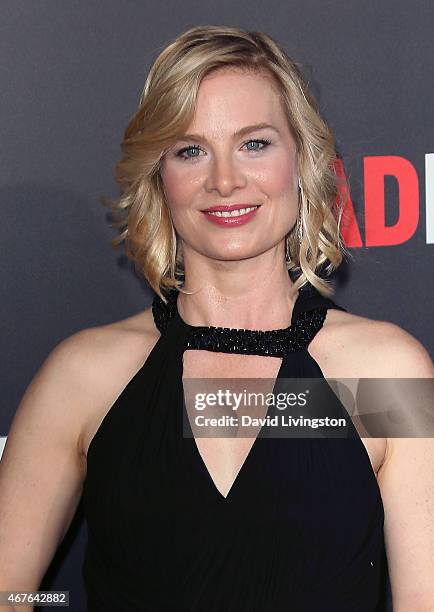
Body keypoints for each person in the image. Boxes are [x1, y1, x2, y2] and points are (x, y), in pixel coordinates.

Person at [0, 24, 433, 612]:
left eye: (255, 144)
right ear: (160, 176)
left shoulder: (383, 374)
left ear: (302, 162)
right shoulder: (86, 377)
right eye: (190, 150)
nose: (224, 180)